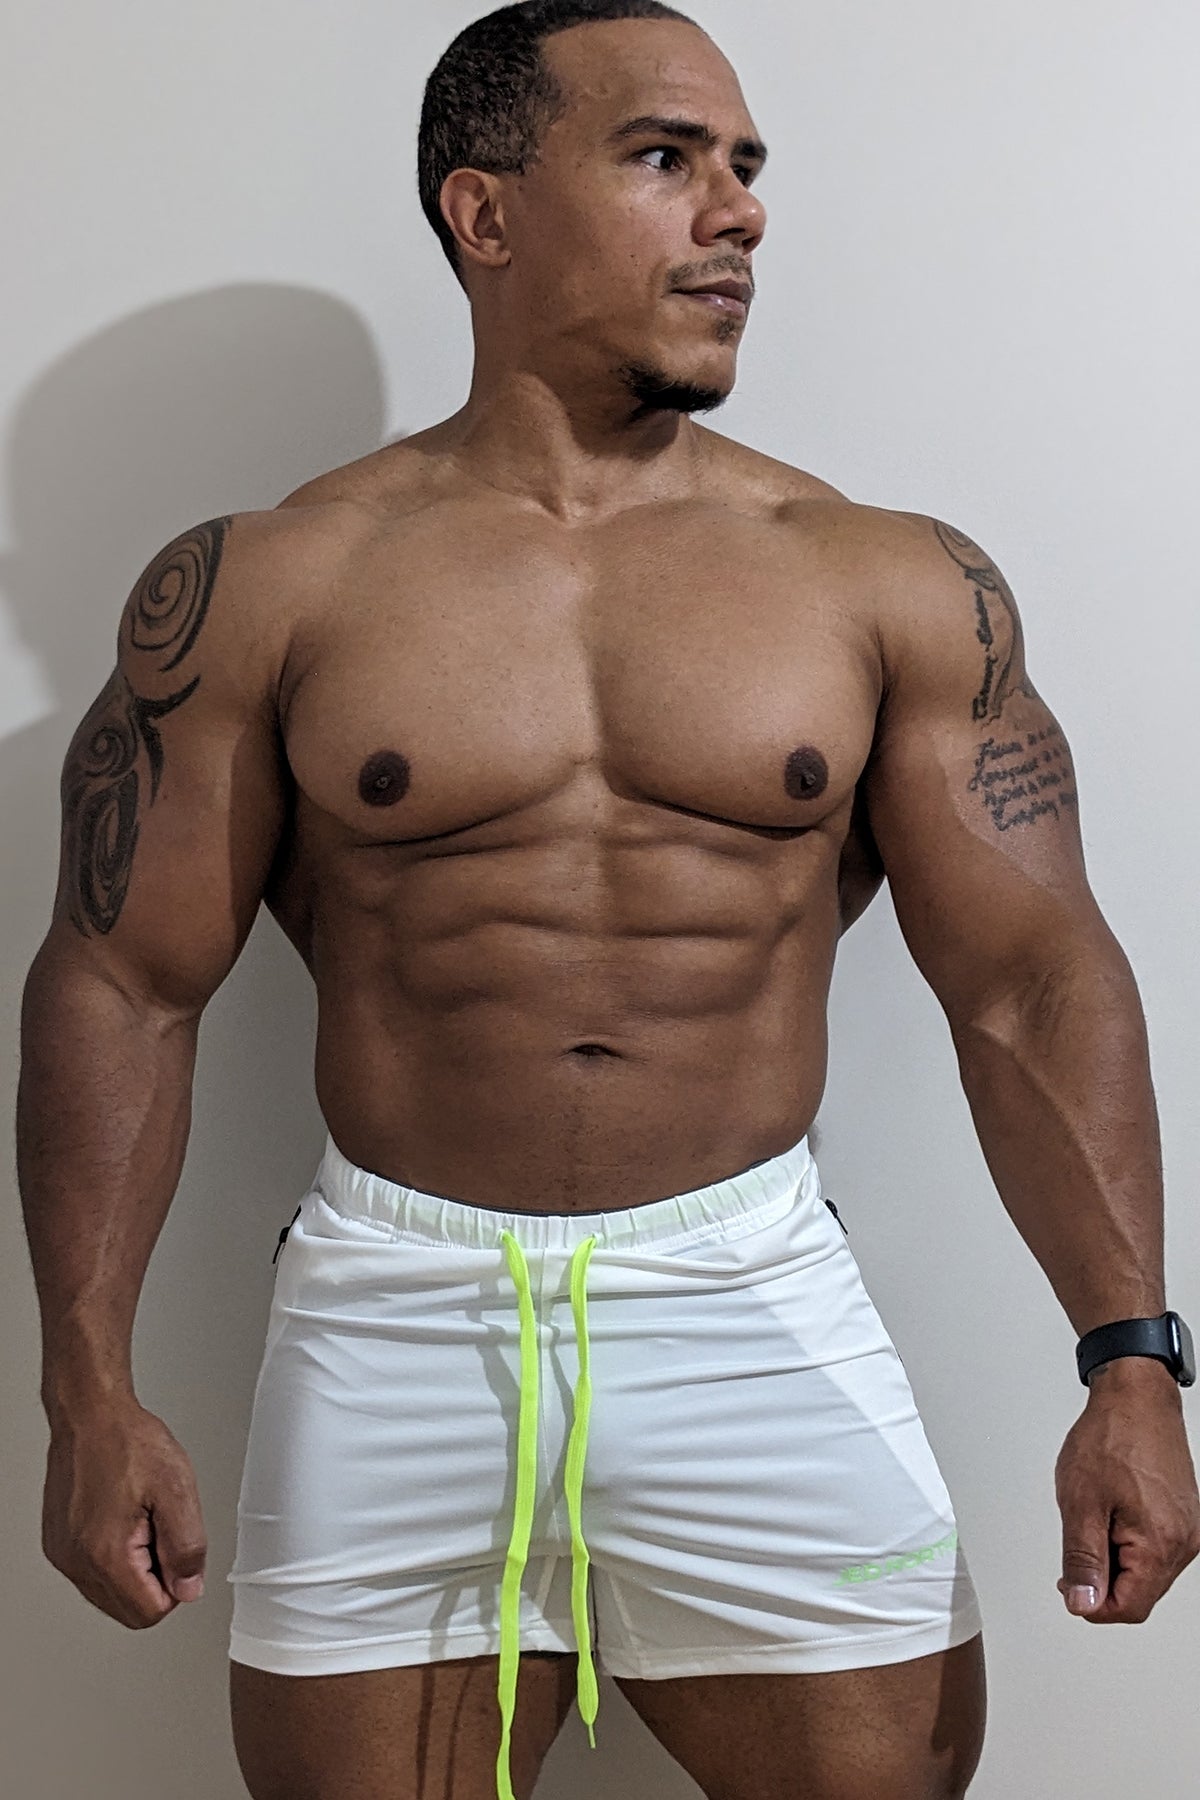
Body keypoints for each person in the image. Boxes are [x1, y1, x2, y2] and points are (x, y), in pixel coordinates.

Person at [17, 2, 1199, 1797]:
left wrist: (1133, 1364)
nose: (739, 212)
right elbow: (123, 984)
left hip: (750, 1299)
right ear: (484, 212)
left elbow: (1033, 979)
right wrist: (85, 1391)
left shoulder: (882, 579)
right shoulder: (269, 585)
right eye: (666, 158)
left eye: (747, 168)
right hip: (395, 1311)